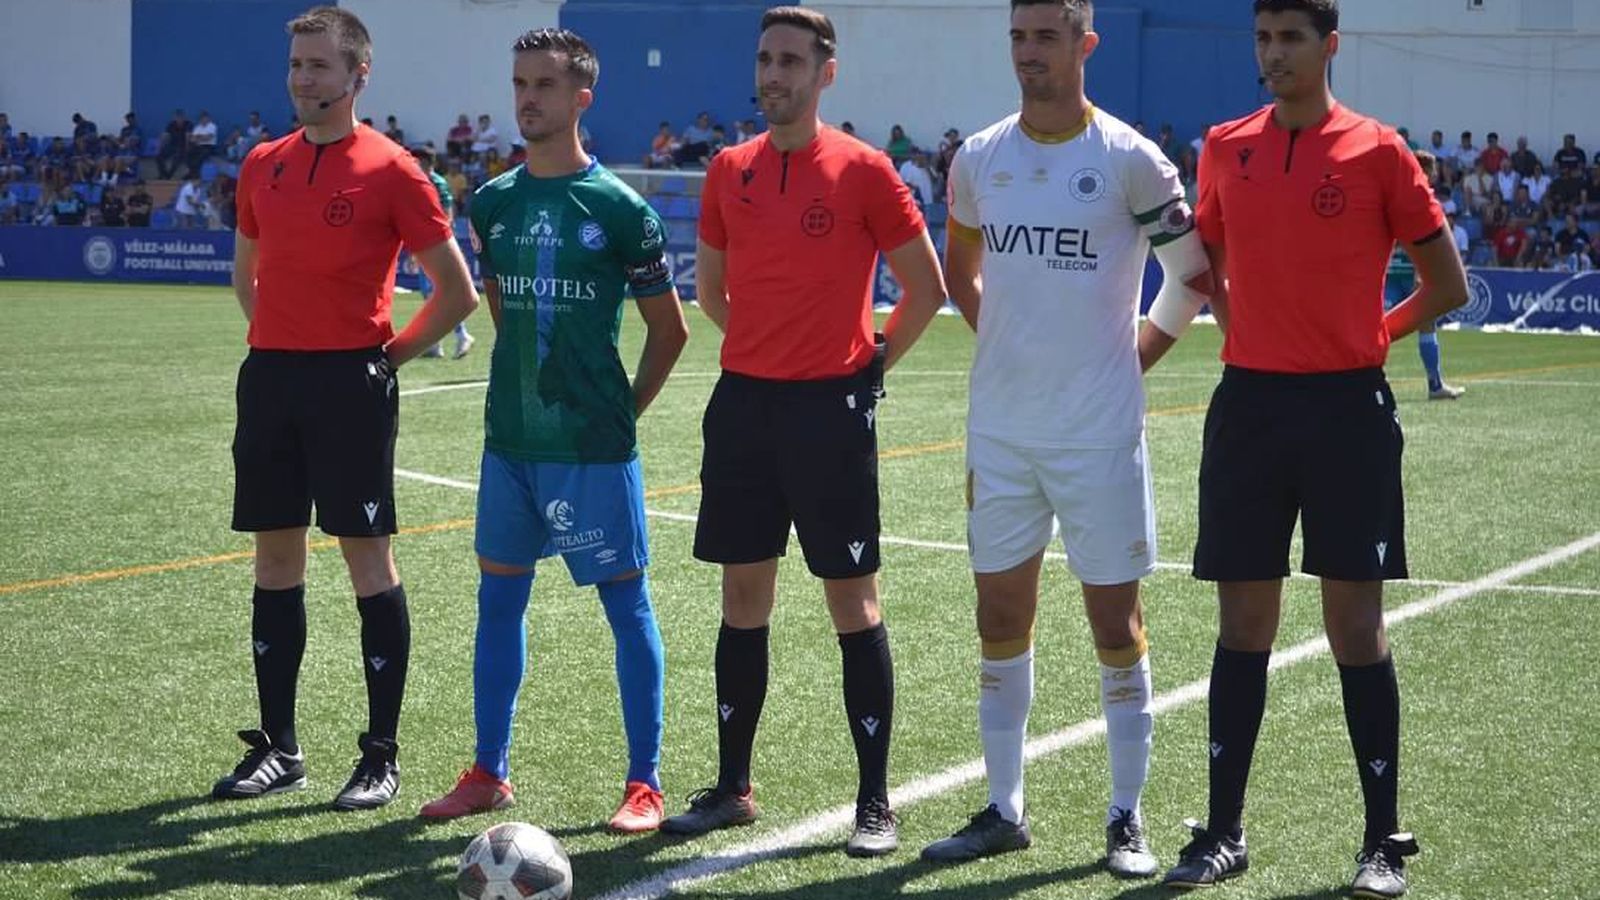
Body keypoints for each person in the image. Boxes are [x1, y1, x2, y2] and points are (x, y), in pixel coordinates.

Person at [1161, 2, 1467, 896]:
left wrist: (1376, 332)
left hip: (1347, 413)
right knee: (1242, 626)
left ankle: (1381, 843)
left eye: (1291, 38)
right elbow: (1202, 264)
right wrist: (1228, 325)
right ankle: (1223, 832)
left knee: (1355, 628)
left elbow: (1446, 283)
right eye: (1263, 38)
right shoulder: (1226, 147)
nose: (1274, 54)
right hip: (1249, 407)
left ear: (1329, 46)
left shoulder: (1379, 150)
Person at [919, 0, 1213, 876]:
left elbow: (1191, 276)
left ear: (1086, 44)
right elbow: (961, 270)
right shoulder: (979, 158)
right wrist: (1008, 345)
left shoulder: (1131, 158)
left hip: (1098, 436)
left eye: (1046, 36)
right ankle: (1004, 809)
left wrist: (1134, 359)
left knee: (1115, 621)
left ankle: (1125, 816)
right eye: (1018, 36)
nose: (1028, 52)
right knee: (999, 617)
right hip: (1002, 433)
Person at [658, 5, 949, 858]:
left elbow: (926, 288)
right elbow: (711, 293)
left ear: (826, 73)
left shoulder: (864, 169)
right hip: (744, 409)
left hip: (830, 414)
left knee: (853, 604)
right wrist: (766, 347)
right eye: (764, 59)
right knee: (742, 600)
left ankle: (874, 802)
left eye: (789, 61)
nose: (772, 75)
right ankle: (732, 788)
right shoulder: (728, 169)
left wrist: (868, 367)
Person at [418, 27, 690, 832]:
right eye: (519, 83)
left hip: (591, 451)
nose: (527, 98)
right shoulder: (493, 203)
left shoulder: (620, 209)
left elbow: (670, 330)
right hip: (510, 444)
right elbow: (504, 314)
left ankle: (644, 784)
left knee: (626, 607)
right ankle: (488, 772)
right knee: (497, 603)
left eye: (543, 84)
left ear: (581, 97)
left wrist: (622, 413)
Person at [212, 4, 478, 812]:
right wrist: (281, 344)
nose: (302, 78)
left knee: (369, 564)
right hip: (270, 379)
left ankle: (380, 755)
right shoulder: (263, 163)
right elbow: (246, 276)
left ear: (359, 74)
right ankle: (279, 747)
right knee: (274, 563)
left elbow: (456, 293)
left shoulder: (394, 170)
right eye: (296, 64)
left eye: (319, 65)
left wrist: (382, 359)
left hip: (350, 384)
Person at [1390, 151, 1464, 400]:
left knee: (1423, 324)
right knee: (1382, 329)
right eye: (1432, 172)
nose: (1433, 177)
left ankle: (1435, 385)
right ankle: (1434, 385)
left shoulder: (1396, 194)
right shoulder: (1415, 198)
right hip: (1403, 274)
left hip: (1396, 273)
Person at [413, 147, 476, 361]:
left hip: (435, 246)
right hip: (425, 244)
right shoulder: (420, 182)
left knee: (438, 294)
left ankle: (462, 335)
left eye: (417, 162)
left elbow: (447, 214)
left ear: (427, 164)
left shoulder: (436, 183)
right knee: (429, 295)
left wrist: (439, 244)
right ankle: (436, 343)